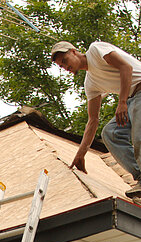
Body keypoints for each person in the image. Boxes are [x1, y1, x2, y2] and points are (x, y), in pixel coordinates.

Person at [51, 41, 141, 198]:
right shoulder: (90, 83)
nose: (65, 67)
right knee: (110, 133)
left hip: (138, 91)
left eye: (65, 61)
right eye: (61, 66)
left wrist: (122, 102)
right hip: (132, 100)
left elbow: (126, 68)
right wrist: (81, 154)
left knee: (138, 136)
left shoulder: (95, 50)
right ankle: (139, 176)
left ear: (73, 52)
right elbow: (93, 120)